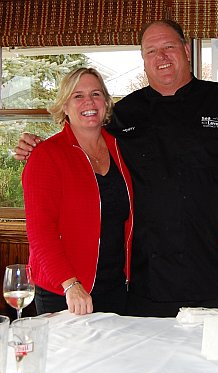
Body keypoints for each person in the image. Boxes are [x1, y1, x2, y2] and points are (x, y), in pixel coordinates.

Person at [15, 20, 218, 317]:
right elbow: (82, 136)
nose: (161, 57)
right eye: (151, 51)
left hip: (217, 271)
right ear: (144, 61)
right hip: (148, 282)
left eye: (169, 47)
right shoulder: (124, 115)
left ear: (186, 50)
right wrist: (40, 147)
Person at [22, 67, 134, 316]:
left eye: (95, 94)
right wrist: (70, 284)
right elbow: (40, 231)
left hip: (115, 287)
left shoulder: (121, 149)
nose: (89, 102)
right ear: (64, 106)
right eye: (78, 96)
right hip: (65, 292)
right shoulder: (46, 156)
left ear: (106, 102)